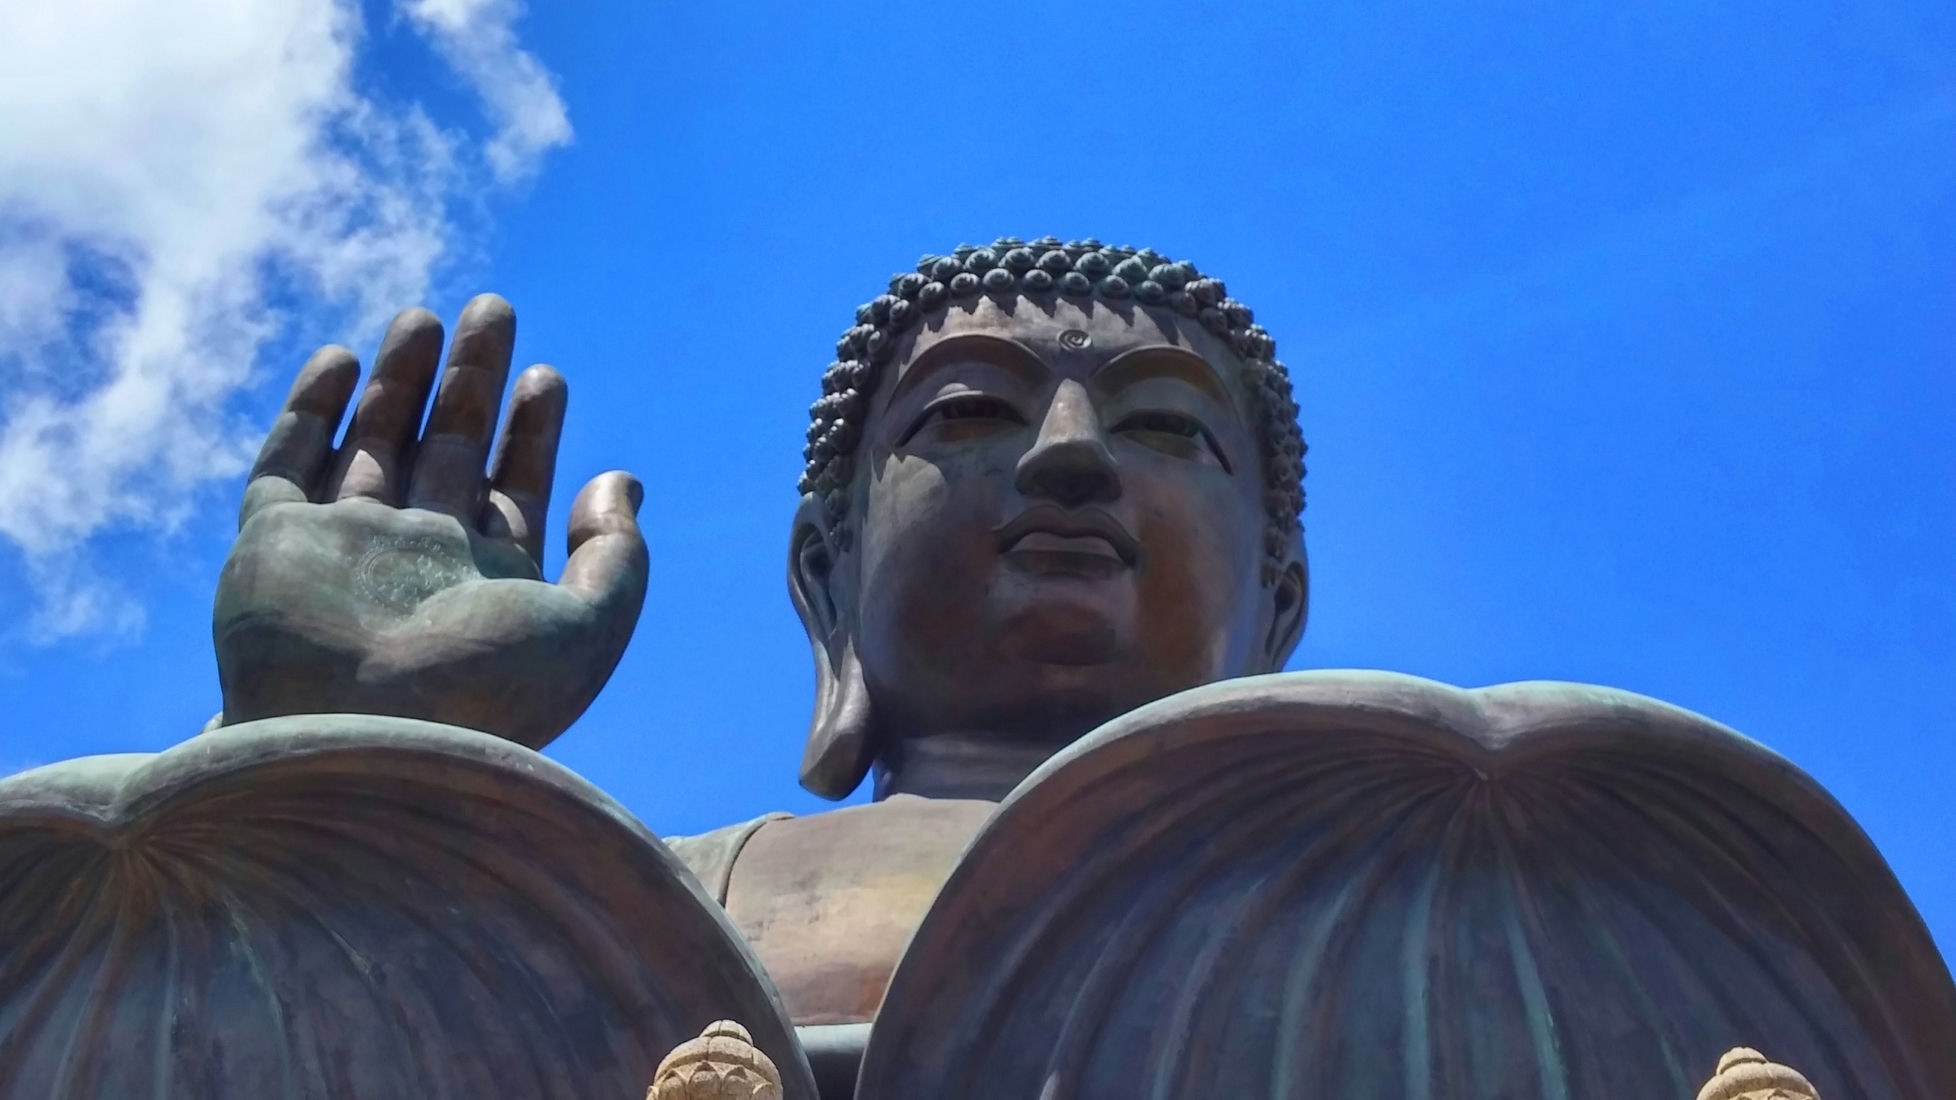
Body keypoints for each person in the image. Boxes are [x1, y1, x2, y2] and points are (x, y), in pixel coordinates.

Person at [211, 236, 1310, 1025]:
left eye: (1166, 425)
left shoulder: (1428, 881)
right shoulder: (637, 900)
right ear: (825, 575)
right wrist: (325, 759)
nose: (1068, 454)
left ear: (1279, 600)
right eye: (967, 411)